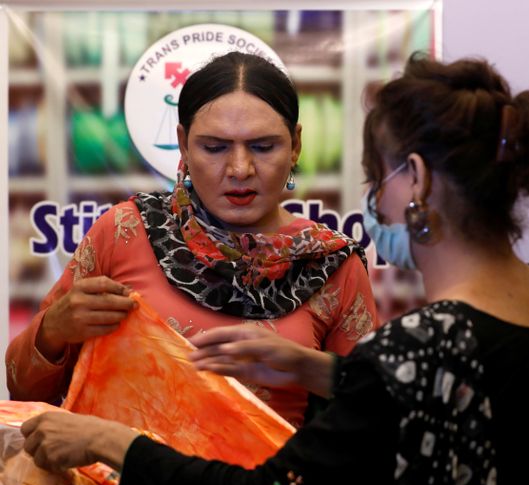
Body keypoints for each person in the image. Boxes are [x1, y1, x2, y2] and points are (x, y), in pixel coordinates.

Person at [21, 54, 529, 485]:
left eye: (378, 176)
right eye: (216, 147)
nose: (239, 169)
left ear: (416, 179)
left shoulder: (410, 346)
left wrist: (111, 442)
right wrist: (321, 370)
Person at [5, 51, 377, 429]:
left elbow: (374, 417)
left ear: (295, 144)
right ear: (183, 143)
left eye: (264, 147)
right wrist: (53, 331)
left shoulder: (332, 264)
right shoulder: (125, 231)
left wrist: (309, 369)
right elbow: (21, 389)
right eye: (213, 148)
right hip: (115, 482)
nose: (239, 169)